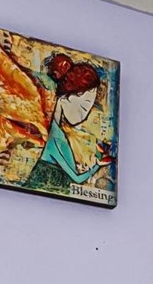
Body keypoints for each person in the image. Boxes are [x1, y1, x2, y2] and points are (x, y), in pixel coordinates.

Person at [24, 53, 113, 197]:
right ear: (64, 99)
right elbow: (76, 178)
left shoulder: (63, 135)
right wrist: (98, 164)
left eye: (91, 98)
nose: (87, 107)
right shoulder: (55, 139)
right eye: (82, 98)